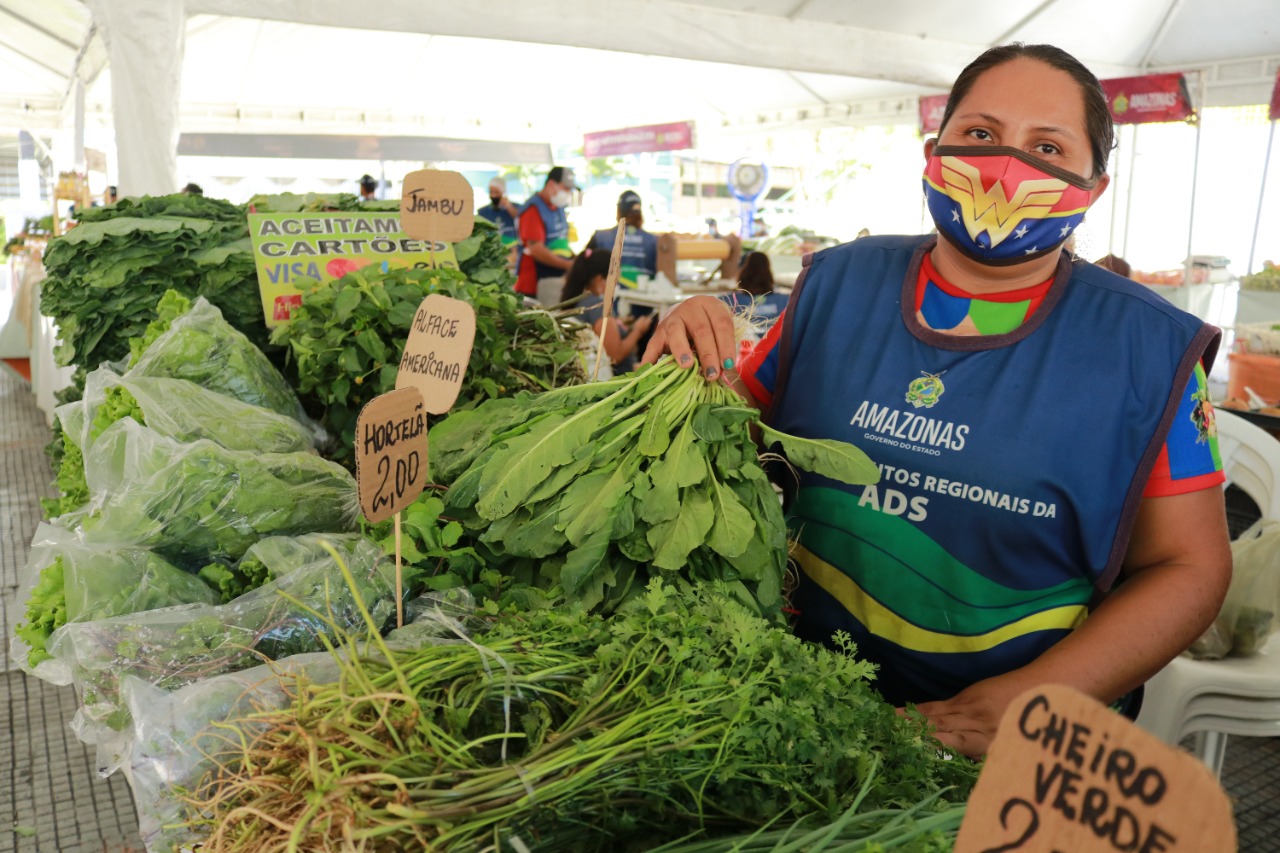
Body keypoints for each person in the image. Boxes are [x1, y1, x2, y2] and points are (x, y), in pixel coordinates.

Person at [642, 42, 1232, 760]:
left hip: (1008, 743)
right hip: (788, 697)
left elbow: (1190, 567)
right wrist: (692, 339)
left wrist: (1045, 691)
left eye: (1047, 145)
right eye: (980, 134)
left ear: (1093, 186)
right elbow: (723, 428)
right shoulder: (834, 286)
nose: (1007, 165)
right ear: (934, 151)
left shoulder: (1147, 348)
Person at [562, 248, 654, 373]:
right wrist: (638, 330)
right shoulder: (598, 309)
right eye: (615, 278)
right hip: (618, 378)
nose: (617, 283)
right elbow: (615, 356)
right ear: (600, 280)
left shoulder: (579, 303)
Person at [516, 166, 576, 305]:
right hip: (532, 284)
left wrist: (574, 259)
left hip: (554, 279)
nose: (567, 193)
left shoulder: (558, 208)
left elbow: (561, 241)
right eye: (565, 188)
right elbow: (536, 250)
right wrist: (568, 265)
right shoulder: (533, 210)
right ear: (550, 185)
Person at [585, 190, 659, 289]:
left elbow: (584, 259)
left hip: (609, 300)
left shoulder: (601, 237)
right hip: (645, 301)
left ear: (619, 211)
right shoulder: (653, 241)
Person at [720, 251, 788, 327]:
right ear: (769, 272)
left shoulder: (728, 301)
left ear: (743, 271)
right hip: (776, 338)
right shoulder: (785, 301)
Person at [477, 177, 521, 248]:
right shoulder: (483, 212)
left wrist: (509, 207)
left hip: (512, 250)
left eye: (497, 192)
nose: (493, 195)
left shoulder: (515, 208)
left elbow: (520, 220)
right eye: (491, 192)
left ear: (503, 192)